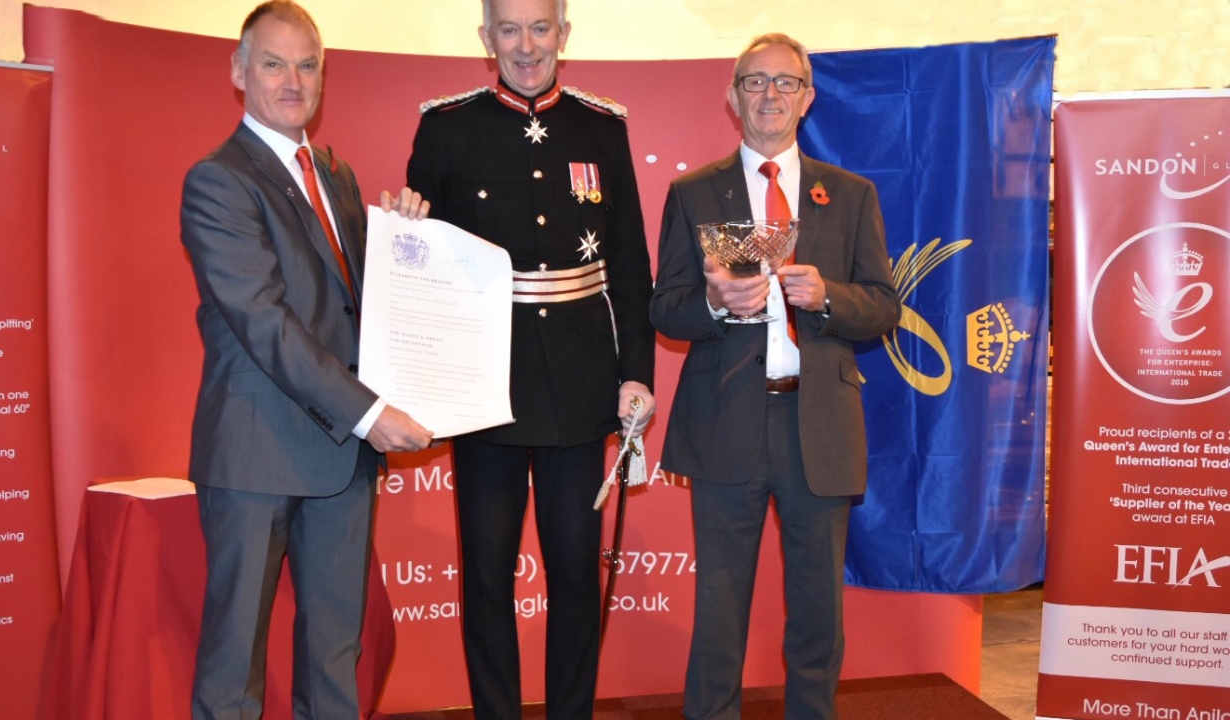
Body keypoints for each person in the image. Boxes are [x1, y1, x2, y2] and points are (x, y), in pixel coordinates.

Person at [179, 2, 432, 718]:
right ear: (238, 71)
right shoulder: (218, 181)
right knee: (235, 667)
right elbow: (265, 320)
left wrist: (403, 245)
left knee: (334, 656)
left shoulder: (336, 174)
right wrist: (370, 413)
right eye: (273, 62)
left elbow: (355, 302)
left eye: (307, 64)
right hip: (258, 453)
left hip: (339, 458)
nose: (293, 80)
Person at [403, 1, 656, 718]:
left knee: (577, 573)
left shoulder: (600, 127)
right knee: (486, 575)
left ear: (563, 37)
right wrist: (407, 234)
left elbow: (629, 266)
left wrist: (635, 370)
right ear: (487, 39)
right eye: (508, 30)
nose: (525, 45)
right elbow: (420, 266)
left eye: (540, 29)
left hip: (580, 385)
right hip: (483, 383)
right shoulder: (447, 128)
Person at [649, 33, 901, 720]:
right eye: (755, 82)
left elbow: (883, 306)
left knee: (818, 614)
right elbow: (664, 307)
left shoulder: (847, 196)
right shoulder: (694, 192)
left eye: (785, 83)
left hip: (816, 425)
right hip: (727, 420)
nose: (770, 95)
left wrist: (827, 298)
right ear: (733, 98)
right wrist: (711, 301)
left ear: (808, 98)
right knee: (720, 613)